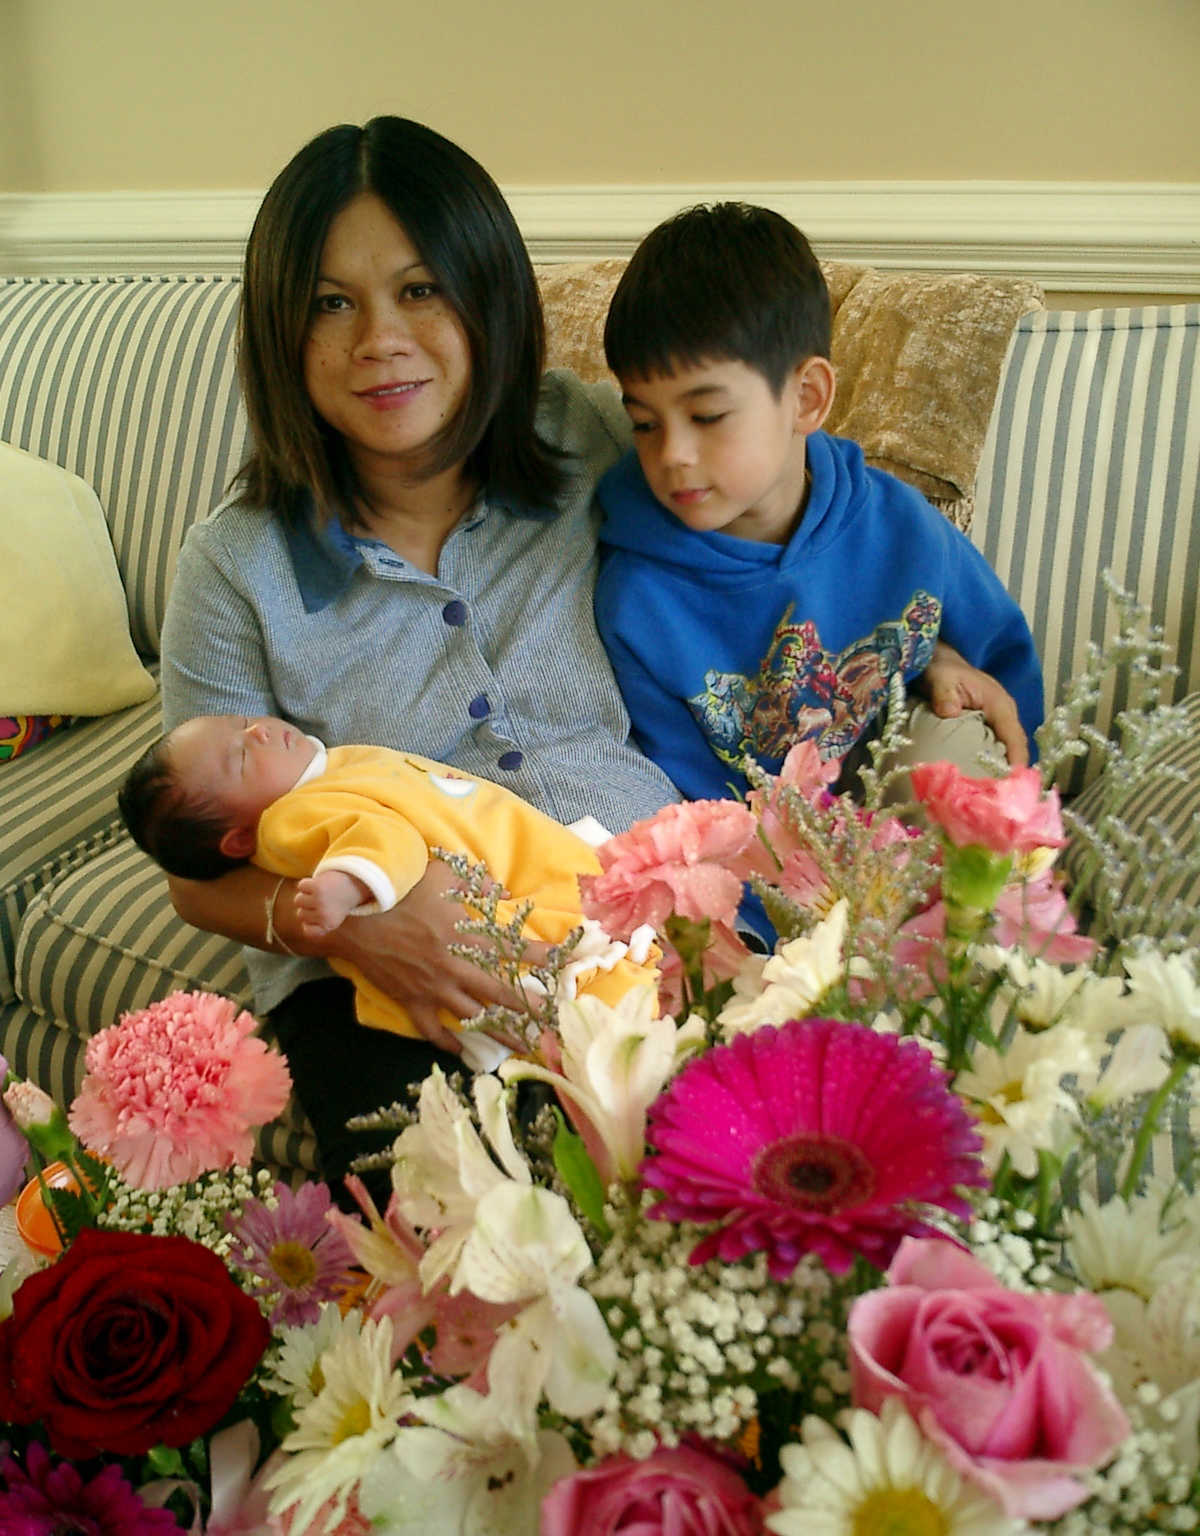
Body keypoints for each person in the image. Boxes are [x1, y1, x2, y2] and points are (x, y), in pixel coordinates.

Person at [159, 117, 1024, 1189]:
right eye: (331, 304)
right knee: (469, 1230)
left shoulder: (586, 437)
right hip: (391, 980)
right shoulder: (235, 568)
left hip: (647, 919)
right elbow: (197, 873)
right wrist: (356, 933)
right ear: (280, 329)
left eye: (421, 289)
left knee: (796, 1178)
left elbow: (779, 507)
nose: (379, 338)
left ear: (487, 295)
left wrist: (915, 642)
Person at [593, 202, 1044, 806]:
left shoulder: (903, 527)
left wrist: (1028, 808)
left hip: (915, 818)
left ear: (806, 397)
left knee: (948, 753)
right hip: (756, 847)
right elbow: (687, 801)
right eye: (645, 424)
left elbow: (1005, 684)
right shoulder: (635, 597)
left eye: (707, 416)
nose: (672, 453)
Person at [119, 715, 656, 1068]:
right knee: (597, 999)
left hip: (524, 873)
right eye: (239, 758)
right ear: (237, 841)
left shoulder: (326, 770)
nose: (258, 732)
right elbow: (384, 841)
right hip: (492, 921)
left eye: (244, 723)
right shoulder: (291, 818)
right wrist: (346, 886)